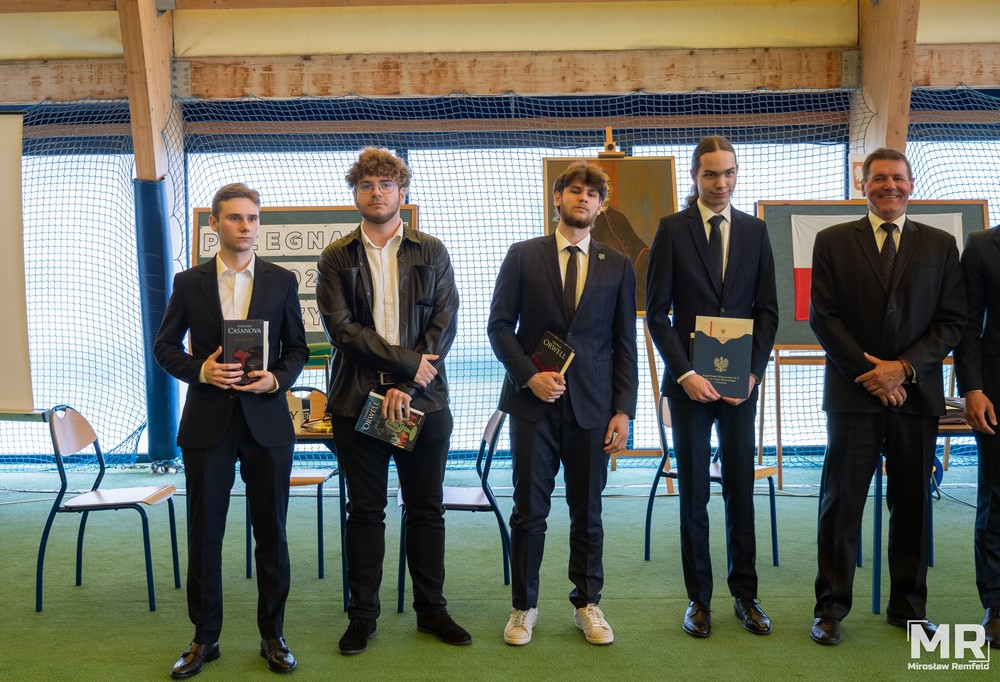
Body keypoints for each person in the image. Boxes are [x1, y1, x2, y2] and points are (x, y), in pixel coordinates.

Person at [808, 147, 966, 646]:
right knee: (841, 504)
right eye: (879, 178)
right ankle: (830, 609)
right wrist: (872, 374)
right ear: (863, 184)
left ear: (911, 184)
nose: (889, 186)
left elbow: (952, 322)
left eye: (898, 178)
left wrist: (903, 370)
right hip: (853, 395)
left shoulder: (941, 245)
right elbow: (823, 317)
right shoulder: (832, 241)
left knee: (913, 504)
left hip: (916, 397)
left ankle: (909, 609)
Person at [315, 147, 469, 655]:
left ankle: (432, 611)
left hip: (424, 401)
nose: (376, 193)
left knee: (426, 509)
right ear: (355, 195)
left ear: (402, 192)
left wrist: (409, 385)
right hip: (356, 402)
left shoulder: (433, 250)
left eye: (385, 184)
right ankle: (362, 617)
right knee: (365, 512)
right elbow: (342, 330)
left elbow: (443, 323)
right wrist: (406, 365)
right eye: (366, 185)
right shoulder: (336, 256)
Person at [154, 183, 309, 677]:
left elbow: (297, 349)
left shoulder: (282, 281)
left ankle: (273, 636)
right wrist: (201, 370)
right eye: (236, 218)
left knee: (272, 534)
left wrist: (276, 379)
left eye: (252, 218)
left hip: (267, 423)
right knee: (205, 535)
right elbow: (165, 347)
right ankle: (205, 639)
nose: (246, 226)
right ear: (215, 224)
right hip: (207, 424)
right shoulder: (188, 282)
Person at [487, 161, 637, 647]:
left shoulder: (618, 264)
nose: (583, 199)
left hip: (593, 409)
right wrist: (529, 377)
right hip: (532, 407)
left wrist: (624, 410)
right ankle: (523, 607)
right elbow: (498, 326)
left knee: (588, 512)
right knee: (529, 511)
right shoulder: (522, 255)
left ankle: (587, 603)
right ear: (558, 197)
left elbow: (624, 343)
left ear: (601, 205)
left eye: (592, 194)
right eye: (575, 190)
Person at [645, 135, 779, 639]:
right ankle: (698, 600)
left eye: (728, 173)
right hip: (689, 387)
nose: (720, 183)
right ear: (695, 176)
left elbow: (768, 311)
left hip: (740, 387)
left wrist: (753, 374)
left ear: (736, 174)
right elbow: (657, 314)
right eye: (710, 174)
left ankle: (746, 596)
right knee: (695, 494)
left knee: (740, 491)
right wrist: (685, 374)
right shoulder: (671, 229)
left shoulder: (756, 231)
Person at [954, 224, 1000, 648]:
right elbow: (967, 325)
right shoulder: (983, 247)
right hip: (995, 394)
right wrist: (972, 388)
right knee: (996, 499)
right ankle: (996, 606)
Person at [592, 176, 650, 309]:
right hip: (602, 280)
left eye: (610, 183)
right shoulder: (589, 218)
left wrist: (650, 255)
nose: (608, 188)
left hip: (627, 275)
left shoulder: (619, 217)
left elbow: (635, 243)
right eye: (603, 183)